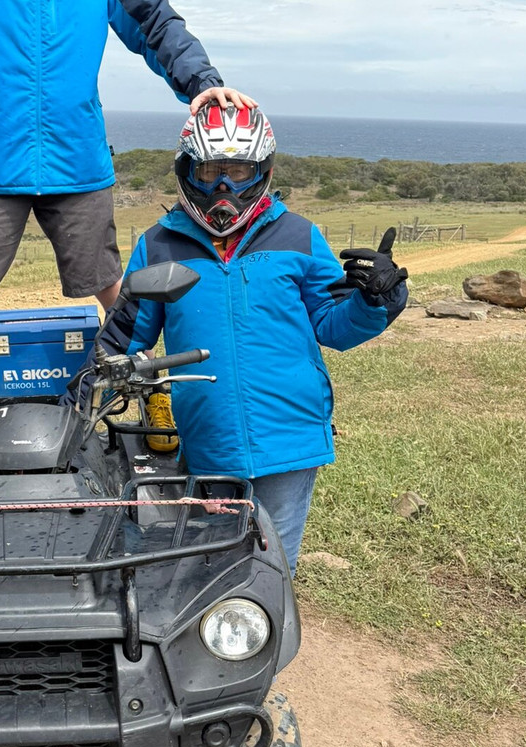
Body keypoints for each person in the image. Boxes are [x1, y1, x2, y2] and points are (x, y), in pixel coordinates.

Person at [0, 0, 256, 458]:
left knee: (110, 285)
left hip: (76, 161)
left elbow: (154, 21)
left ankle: (146, 384)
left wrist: (202, 82)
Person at [90, 103, 409, 575]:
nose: (224, 185)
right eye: (211, 169)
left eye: (238, 170)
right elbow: (123, 337)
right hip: (208, 442)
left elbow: (332, 325)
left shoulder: (298, 235)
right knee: (206, 569)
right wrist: (78, 394)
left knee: (270, 570)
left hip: (291, 439)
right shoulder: (158, 244)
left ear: (261, 170)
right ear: (188, 170)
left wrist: (378, 301)